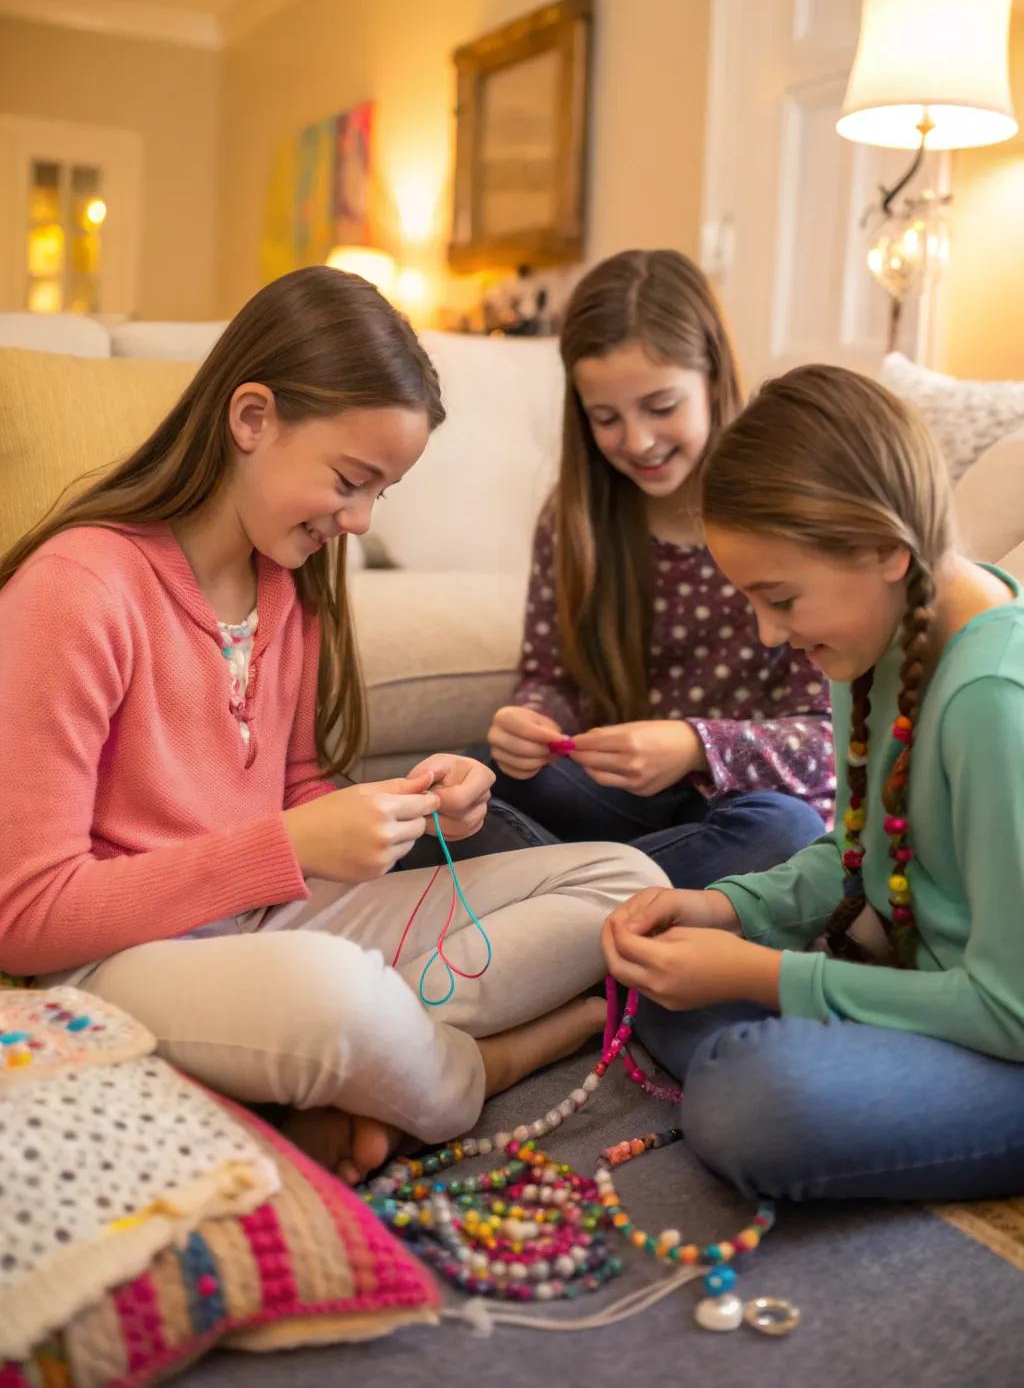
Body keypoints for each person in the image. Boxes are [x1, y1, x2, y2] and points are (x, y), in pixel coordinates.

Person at [0, 265, 665, 1184]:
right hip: (117, 960)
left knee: (623, 879)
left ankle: (331, 1076)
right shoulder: (80, 592)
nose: (357, 521)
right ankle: (471, 1072)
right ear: (251, 419)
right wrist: (284, 845)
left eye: (380, 494)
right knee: (335, 996)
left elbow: (300, 795)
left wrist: (410, 807)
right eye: (351, 480)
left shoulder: (289, 585)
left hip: (276, 921)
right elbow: (26, 917)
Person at [605, 364, 1024, 1201]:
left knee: (756, 1103)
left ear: (884, 548)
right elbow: (865, 851)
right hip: (928, 995)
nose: (767, 634)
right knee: (650, 978)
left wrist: (758, 977)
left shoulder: (993, 700)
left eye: (781, 599)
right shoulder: (870, 636)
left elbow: (1010, 1009)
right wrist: (722, 910)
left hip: (1005, 1032)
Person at [487, 249, 829, 888]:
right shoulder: (574, 522)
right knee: (469, 775)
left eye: (662, 405)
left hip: (747, 806)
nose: (638, 441)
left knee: (787, 835)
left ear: (714, 376)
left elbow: (831, 743)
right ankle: (602, 898)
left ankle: (563, 902)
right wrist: (530, 722)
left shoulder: (785, 510)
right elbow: (551, 676)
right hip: (619, 802)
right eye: (606, 419)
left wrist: (697, 746)